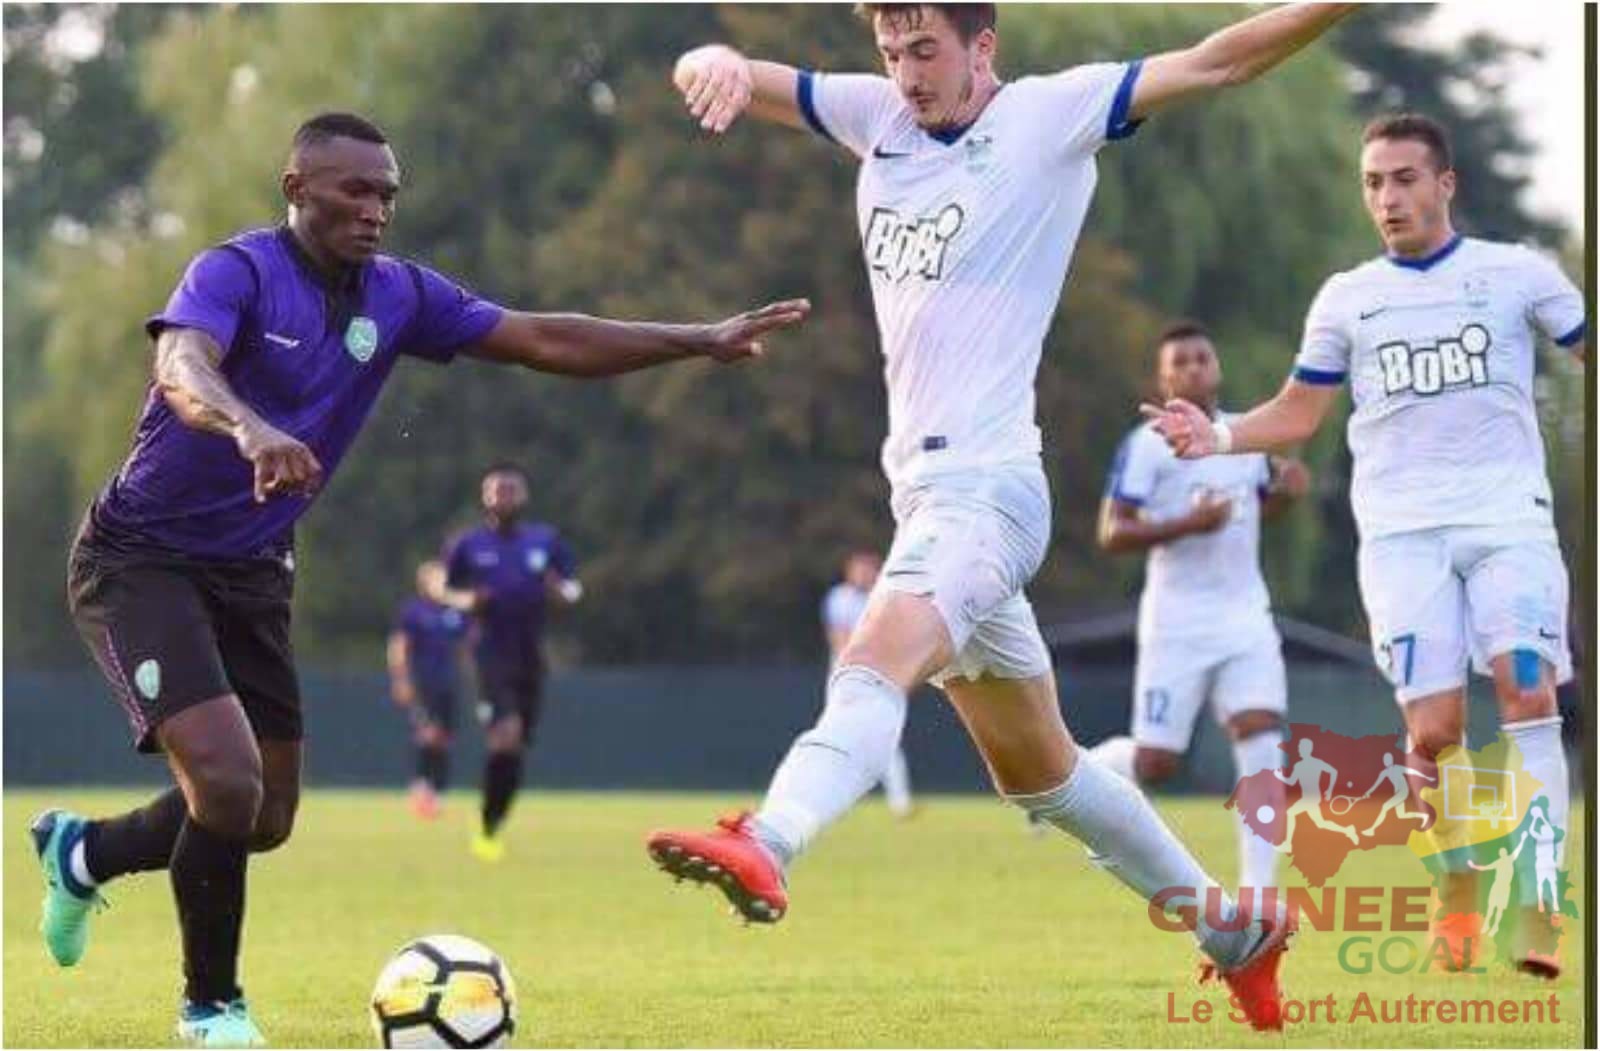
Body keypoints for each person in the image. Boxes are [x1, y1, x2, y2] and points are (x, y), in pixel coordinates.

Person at [29, 111, 809, 1047]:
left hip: (254, 567)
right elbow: (181, 363)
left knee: (264, 814)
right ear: (297, 189)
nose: (375, 209)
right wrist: (250, 427)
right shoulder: (236, 272)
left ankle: (85, 852)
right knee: (227, 784)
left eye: (387, 194)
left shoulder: (399, 295)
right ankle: (212, 1008)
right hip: (140, 557)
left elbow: (543, 338)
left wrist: (696, 337)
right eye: (354, 190)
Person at [646, 3, 1355, 1030]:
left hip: (987, 491)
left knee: (872, 658)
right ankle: (1232, 930)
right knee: (1044, 774)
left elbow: (1218, 62)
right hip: (926, 498)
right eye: (890, 52)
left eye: (924, 50)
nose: (906, 73)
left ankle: (770, 836)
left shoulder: (1047, 117)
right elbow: (733, 71)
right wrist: (706, 58)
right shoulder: (877, 116)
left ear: (983, 47)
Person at [1143, 112, 1584, 979]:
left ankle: (1540, 905)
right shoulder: (1349, 297)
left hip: (1510, 524)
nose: (1388, 197)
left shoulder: (1517, 274)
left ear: (1445, 183)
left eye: (1404, 179)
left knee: (1528, 692)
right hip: (1401, 538)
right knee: (1435, 731)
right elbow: (1298, 412)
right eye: (1374, 183)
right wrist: (1219, 436)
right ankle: (1458, 882)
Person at [1090, 321, 1307, 909]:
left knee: (1260, 732)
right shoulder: (1146, 444)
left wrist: (1287, 493)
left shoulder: (1242, 438)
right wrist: (1189, 524)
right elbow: (1112, 532)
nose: (1192, 368)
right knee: (1157, 761)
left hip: (1244, 615)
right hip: (1175, 623)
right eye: (1179, 362)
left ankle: (1258, 897)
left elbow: (1261, 508)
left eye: (1201, 358)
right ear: (1162, 380)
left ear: (1217, 368)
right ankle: (1074, 775)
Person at [433, 464, 580, 861]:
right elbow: (444, 589)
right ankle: (487, 821)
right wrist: (468, 600)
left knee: (516, 749)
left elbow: (573, 588)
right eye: (497, 490)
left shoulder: (545, 540)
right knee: (506, 735)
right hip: (488, 651)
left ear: (524, 496)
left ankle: (492, 822)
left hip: (530, 653)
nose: (504, 496)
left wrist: (560, 593)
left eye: (511, 489)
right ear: (485, 497)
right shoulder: (468, 544)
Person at [822, 550, 914, 817]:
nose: (862, 575)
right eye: (858, 569)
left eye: (867, 570)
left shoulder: (885, 598)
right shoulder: (839, 597)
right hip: (846, 675)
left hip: (878, 675)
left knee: (886, 737)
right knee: (838, 736)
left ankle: (900, 803)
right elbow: (840, 638)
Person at [387, 560, 471, 819]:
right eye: (438, 579)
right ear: (424, 583)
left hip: (448, 684)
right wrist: (401, 680)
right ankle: (421, 789)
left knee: (444, 738)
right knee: (428, 735)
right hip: (423, 683)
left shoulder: (453, 613)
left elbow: (464, 646)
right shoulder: (413, 612)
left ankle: (436, 792)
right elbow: (399, 647)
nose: (442, 583)